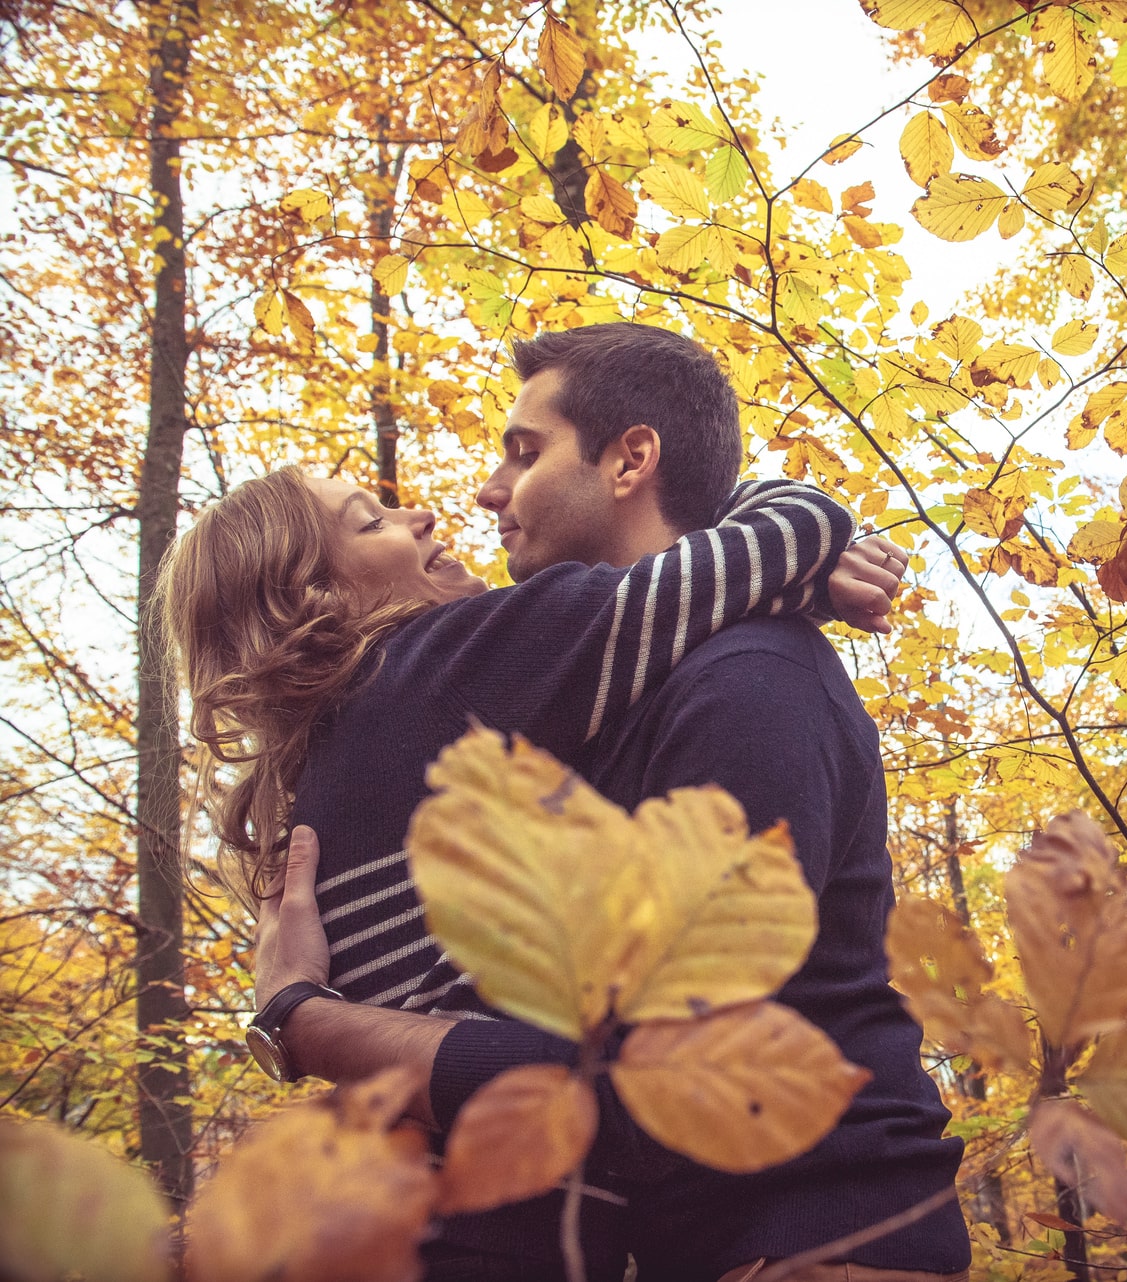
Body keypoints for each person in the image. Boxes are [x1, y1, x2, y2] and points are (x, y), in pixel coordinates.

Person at [159, 322, 971, 1282]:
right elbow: (788, 530)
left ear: (630, 461)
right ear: (313, 599)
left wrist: (299, 1018)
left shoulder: (738, 678)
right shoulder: (434, 674)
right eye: (370, 522)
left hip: (810, 1232)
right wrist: (800, 544)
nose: (450, 507)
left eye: (524, 451)